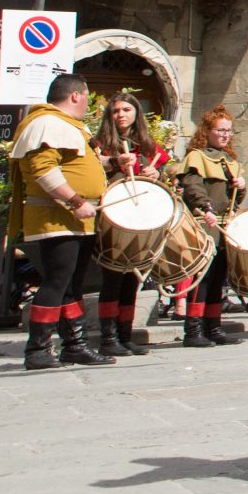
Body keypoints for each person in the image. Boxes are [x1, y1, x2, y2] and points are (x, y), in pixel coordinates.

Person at [7, 73, 112, 370]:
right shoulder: (47, 123)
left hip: (75, 220)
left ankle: (74, 345)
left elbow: (79, 162)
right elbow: (44, 170)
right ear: (76, 95)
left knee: (70, 286)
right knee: (56, 282)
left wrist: (115, 163)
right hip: (56, 219)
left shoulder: (67, 126)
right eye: (86, 96)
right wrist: (75, 202)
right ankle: (37, 349)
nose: (87, 102)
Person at [89, 91, 163, 357]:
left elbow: (158, 176)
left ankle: (125, 334)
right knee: (112, 278)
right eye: (116, 111)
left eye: (126, 110)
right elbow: (91, 167)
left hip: (140, 218)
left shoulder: (146, 144)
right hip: (114, 217)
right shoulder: (100, 143)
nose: (120, 115)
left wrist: (156, 172)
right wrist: (113, 162)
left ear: (135, 114)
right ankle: (108, 338)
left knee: (133, 278)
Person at [170, 106, 244, 349]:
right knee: (202, 277)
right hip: (206, 223)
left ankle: (213, 326)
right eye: (220, 130)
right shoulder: (196, 157)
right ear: (208, 131)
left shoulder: (230, 160)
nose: (225, 135)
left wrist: (240, 186)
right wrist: (206, 208)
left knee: (218, 279)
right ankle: (193, 329)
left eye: (228, 131)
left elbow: (236, 198)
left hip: (226, 223)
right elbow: (193, 187)